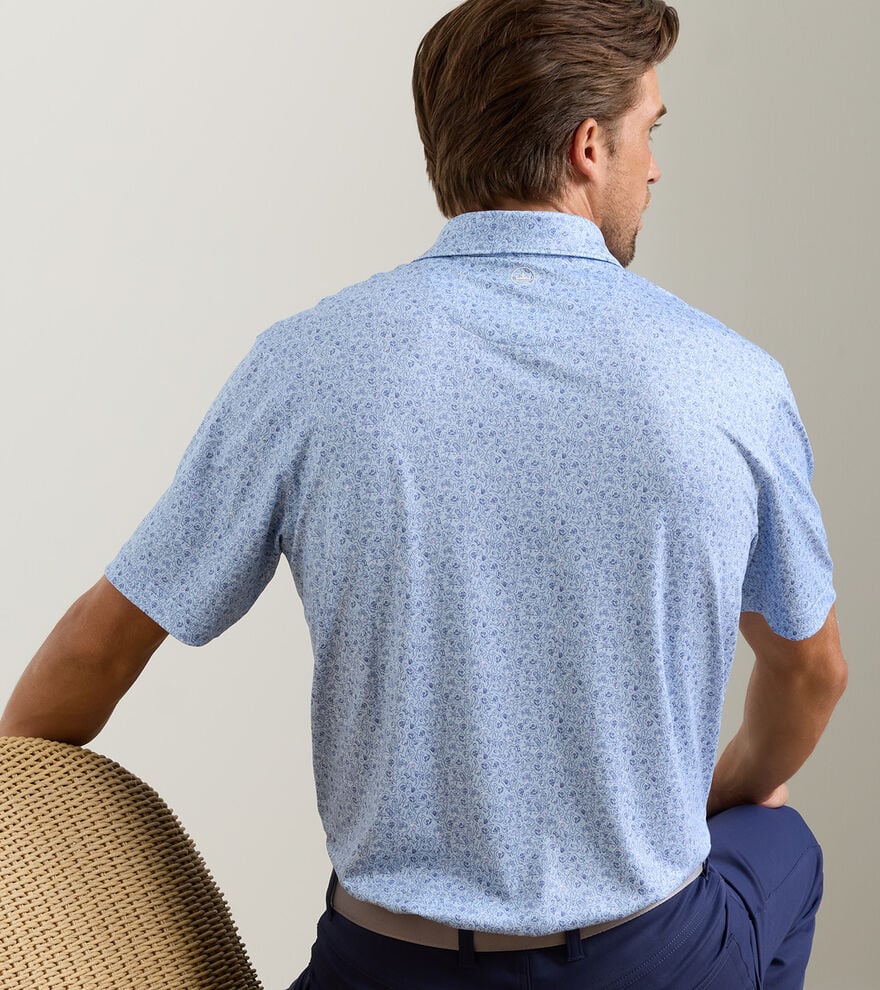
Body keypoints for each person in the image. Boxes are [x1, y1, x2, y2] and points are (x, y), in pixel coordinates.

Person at [0, 1, 848, 987]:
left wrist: (13, 789)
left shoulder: (305, 365)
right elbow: (811, 674)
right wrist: (723, 796)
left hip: (379, 963)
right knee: (779, 844)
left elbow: (102, 645)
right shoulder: (729, 381)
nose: (654, 167)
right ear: (588, 148)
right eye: (647, 131)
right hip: (642, 959)